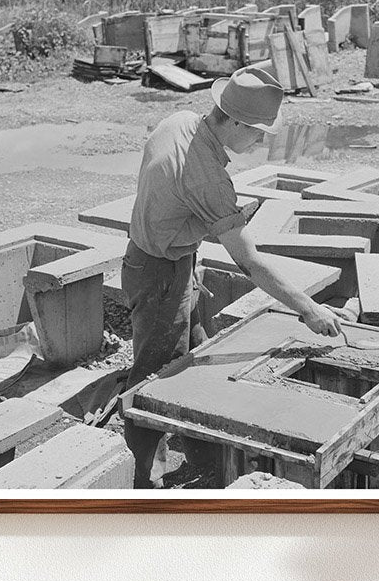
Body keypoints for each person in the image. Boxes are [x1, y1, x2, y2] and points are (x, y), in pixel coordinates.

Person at [121, 65, 354, 488]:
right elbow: (250, 263)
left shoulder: (180, 121)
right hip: (160, 276)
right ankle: (144, 484)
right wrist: (310, 310)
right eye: (257, 131)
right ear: (231, 120)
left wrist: (194, 225)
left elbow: (172, 187)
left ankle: (205, 455)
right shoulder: (209, 177)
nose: (261, 141)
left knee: (198, 355)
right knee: (154, 379)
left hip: (155, 258)